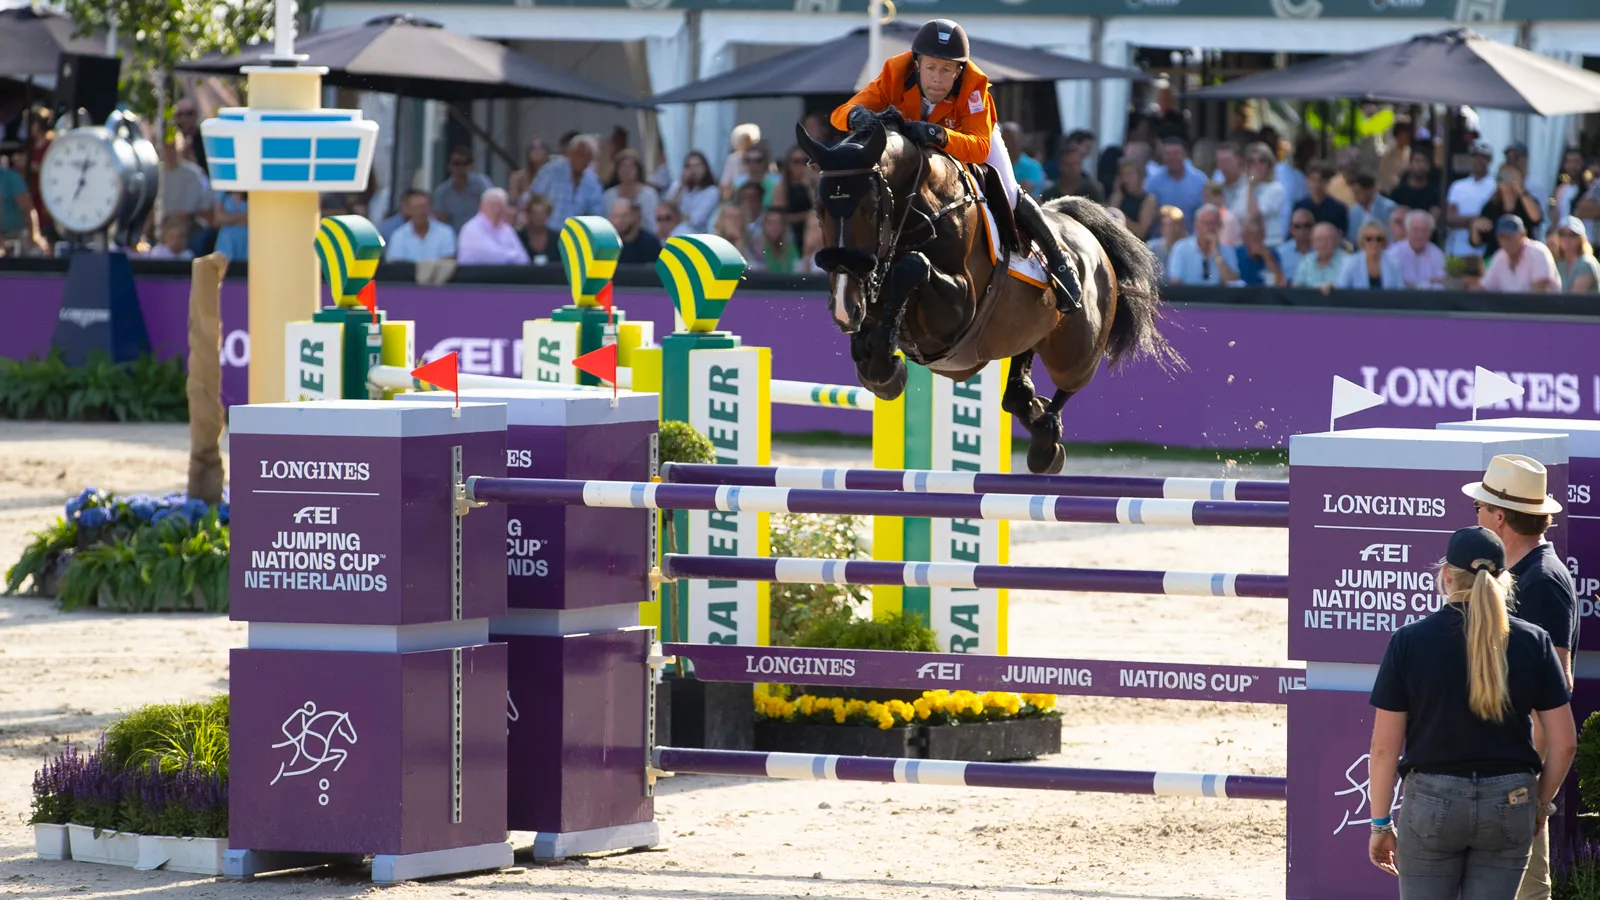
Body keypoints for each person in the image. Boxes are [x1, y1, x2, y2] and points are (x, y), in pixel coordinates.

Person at [1366, 524, 1575, 898]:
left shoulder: (1409, 641)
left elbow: (1384, 747)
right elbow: (1565, 744)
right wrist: (1540, 806)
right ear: (1504, 579)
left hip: (1431, 800)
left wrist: (1380, 824)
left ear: (1446, 574)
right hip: (1511, 800)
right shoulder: (1534, 641)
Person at [832, 18, 1083, 312]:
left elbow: (978, 148)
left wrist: (938, 135)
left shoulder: (974, 87)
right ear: (917, 64)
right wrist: (857, 117)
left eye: (947, 70)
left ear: (959, 70)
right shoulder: (895, 73)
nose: (937, 78)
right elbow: (840, 113)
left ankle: (1059, 260)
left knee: (1010, 193)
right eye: (931, 68)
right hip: (918, 150)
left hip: (968, 138)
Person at [1465, 455, 1577, 900]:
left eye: (1479, 508)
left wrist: (1533, 795)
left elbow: (1555, 688)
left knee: (1526, 893)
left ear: (1499, 516)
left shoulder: (1541, 583)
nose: (1474, 516)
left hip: (1515, 780)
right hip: (1504, 774)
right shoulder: (1523, 576)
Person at [530, 134, 605, 228]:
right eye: (580, 154)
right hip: (548, 232)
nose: (583, 159)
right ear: (570, 153)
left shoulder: (593, 182)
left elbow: (597, 214)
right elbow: (534, 198)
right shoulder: (550, 171)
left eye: (588, 156)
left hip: (576, 236)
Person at [1472, 165, 1543, 262]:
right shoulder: (1490, 206)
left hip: (1523, 259)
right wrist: (1474, 228)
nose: (1503, 180)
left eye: (1508, 176)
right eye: (1500, 176)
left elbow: (1536, 218)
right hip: (1494, 259)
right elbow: (1476, 242)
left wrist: (1520, 189)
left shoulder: (1527, 201)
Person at [1480, 215, 1559, 294]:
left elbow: (1539, 296)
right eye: (1502, 237)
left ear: (1523, 234)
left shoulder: (1538, 252)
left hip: (1544, 306)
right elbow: (1484, 290)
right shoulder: (1499, 257)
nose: (1506, 241)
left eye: (1510, 236)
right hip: (1512, 306)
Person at [1446, 141, 1498, 260]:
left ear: (1490, 160)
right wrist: (1475, 221)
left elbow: (1492, 220)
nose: (1478, 160)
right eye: (1475, 156)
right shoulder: (1457, 186)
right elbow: (1450, 218)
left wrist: (1463, 220)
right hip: (1458, 250)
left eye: (1483, 157)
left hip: (1485, 251)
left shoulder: (1496, 186)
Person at [1146, 135, 1210, 227]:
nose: (1172, 158)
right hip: (1160, 237)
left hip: (1191, 237)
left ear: (1185, 155)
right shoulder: (1153, 181)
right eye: (1168, 154)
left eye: (1176, 153)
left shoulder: (1199, 180)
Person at [456, 188, 530, 266]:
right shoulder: (471, 228)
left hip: (504, 276)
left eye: (501, 205)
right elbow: (492, 257)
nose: (497, 209)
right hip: (476, 276)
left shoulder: (506, 229)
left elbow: (523, 259)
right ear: (482, 206)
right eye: (493, 205)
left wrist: (507, 255)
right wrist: (512, 255)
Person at [432, 146, 494, 232]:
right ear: (449, 166)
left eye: (466, 163)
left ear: (472, 165)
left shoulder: (481, 183)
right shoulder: (442, 192)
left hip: (481, 234)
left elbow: (492, 208)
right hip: (455, 238)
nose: (462, 167)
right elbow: (441, 223)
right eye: (457, 163)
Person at [384, 190, 456, 263]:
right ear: (409, 210)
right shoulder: (399, 236)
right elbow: (396, 266)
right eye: (417, 207)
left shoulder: (446, 233)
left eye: (424, 207)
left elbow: (448, 264)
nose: (421, 212)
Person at [602, 149, 660, 236]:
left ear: (637, 170)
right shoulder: (608, 196)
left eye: (631, 167)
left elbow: (653, 225)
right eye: (623, 167)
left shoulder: (649, 194)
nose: (627, 171)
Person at [1163, 204, 1224, 286]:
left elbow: (1233, 281)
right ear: (1197, 225)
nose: (1210, 228)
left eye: (1214, 223)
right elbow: (1176, 282)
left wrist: (1216, 253)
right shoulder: (1181, 248)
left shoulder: (1226, 249)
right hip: (1188, 297)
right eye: (1206, 223)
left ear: (1220, 226)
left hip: (1218, 297)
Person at [1386, 210, 1447, 290]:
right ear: (1407, 230)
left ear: (1430, 233)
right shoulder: (1393, 253)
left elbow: (1441, 282)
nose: (1420, 235)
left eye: (1424, 230)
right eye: (1415, 230)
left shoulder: (1437, 254)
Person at [1216, 215, 1284, 286]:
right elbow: (1229, 280)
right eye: (1251, 234)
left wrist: (1267, 257)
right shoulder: (1235, 254)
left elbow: (1280, 283)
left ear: (1263, 235)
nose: (1255, 239)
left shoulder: (1272, 254)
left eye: (1258, 234)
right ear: (1243, 236)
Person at [1335, 220, 1404, 290]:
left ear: (1384, 242)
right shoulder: (1351, 263)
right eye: (1369, 239)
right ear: (1362, 241)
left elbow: (1400, 292)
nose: (1374, 243)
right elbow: (1342, 289)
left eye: (1379, 239)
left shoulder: (1393, 263)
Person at [667, 150, 721, 233]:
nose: (693, 170)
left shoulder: (712, 192)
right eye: (689, 166)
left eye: (697, 166)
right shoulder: (679, 185)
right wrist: (681, 186)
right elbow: (667, 207)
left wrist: (677, 218)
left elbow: (696, 220)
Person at [1388, 146, 1443, 225]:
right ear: (1410, 164)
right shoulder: (1398, 192)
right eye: (1417, 161)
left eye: (1425, 161)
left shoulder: (1435, 193)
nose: (1421, 165)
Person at [1293, 164, 1349, 239]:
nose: (1317, 184)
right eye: (1313, 180)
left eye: (1321, 180)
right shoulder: (1299, 206)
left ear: (1327, 182)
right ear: (1307, 181)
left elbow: (1342, 235)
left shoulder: (1338, 209)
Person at [1109, 158, 1156, 240]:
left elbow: (1141, 232)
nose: (1126, 179)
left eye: (1130, 174)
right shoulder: (1119, 196)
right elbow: (1109, 222)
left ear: (1140, 175)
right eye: (1123, 175)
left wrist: (1120, 217)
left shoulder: (1148, 199)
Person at [1294, 223, 1348, 294]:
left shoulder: (1347, 261)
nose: (1323, 243)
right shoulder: (1306, 261)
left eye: (1328, 239)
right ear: (1312, 241)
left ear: (1336, 240)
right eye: (1319, 239)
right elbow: (1296, 288)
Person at [1552, 215, 1600, 294]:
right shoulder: (1559, 263)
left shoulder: (1586, 263)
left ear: (1581, 239)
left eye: (1572, 234)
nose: (1567, 238)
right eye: (1562, 234)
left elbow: (1574, 299)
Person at [519, 194, 561, 266]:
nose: (539, 217)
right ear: (528, 214)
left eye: (542, 213)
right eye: (535, 213)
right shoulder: (519, 238)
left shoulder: (558, 238)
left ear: (548, 215)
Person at [1278, 208, 1316, 284]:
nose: (1302, 230)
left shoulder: (1322, 250)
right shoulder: (1281, 254)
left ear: (1314, 227)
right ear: (1291, 229)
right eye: (1297, 226)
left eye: (1307, 225)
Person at [1146, 205, 1186, 277]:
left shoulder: (1189, 249)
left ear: (1182, 226)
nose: (1172, 229)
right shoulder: (1152, 248)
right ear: (1161, 228)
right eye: (1168, 225)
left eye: (1175, 224)